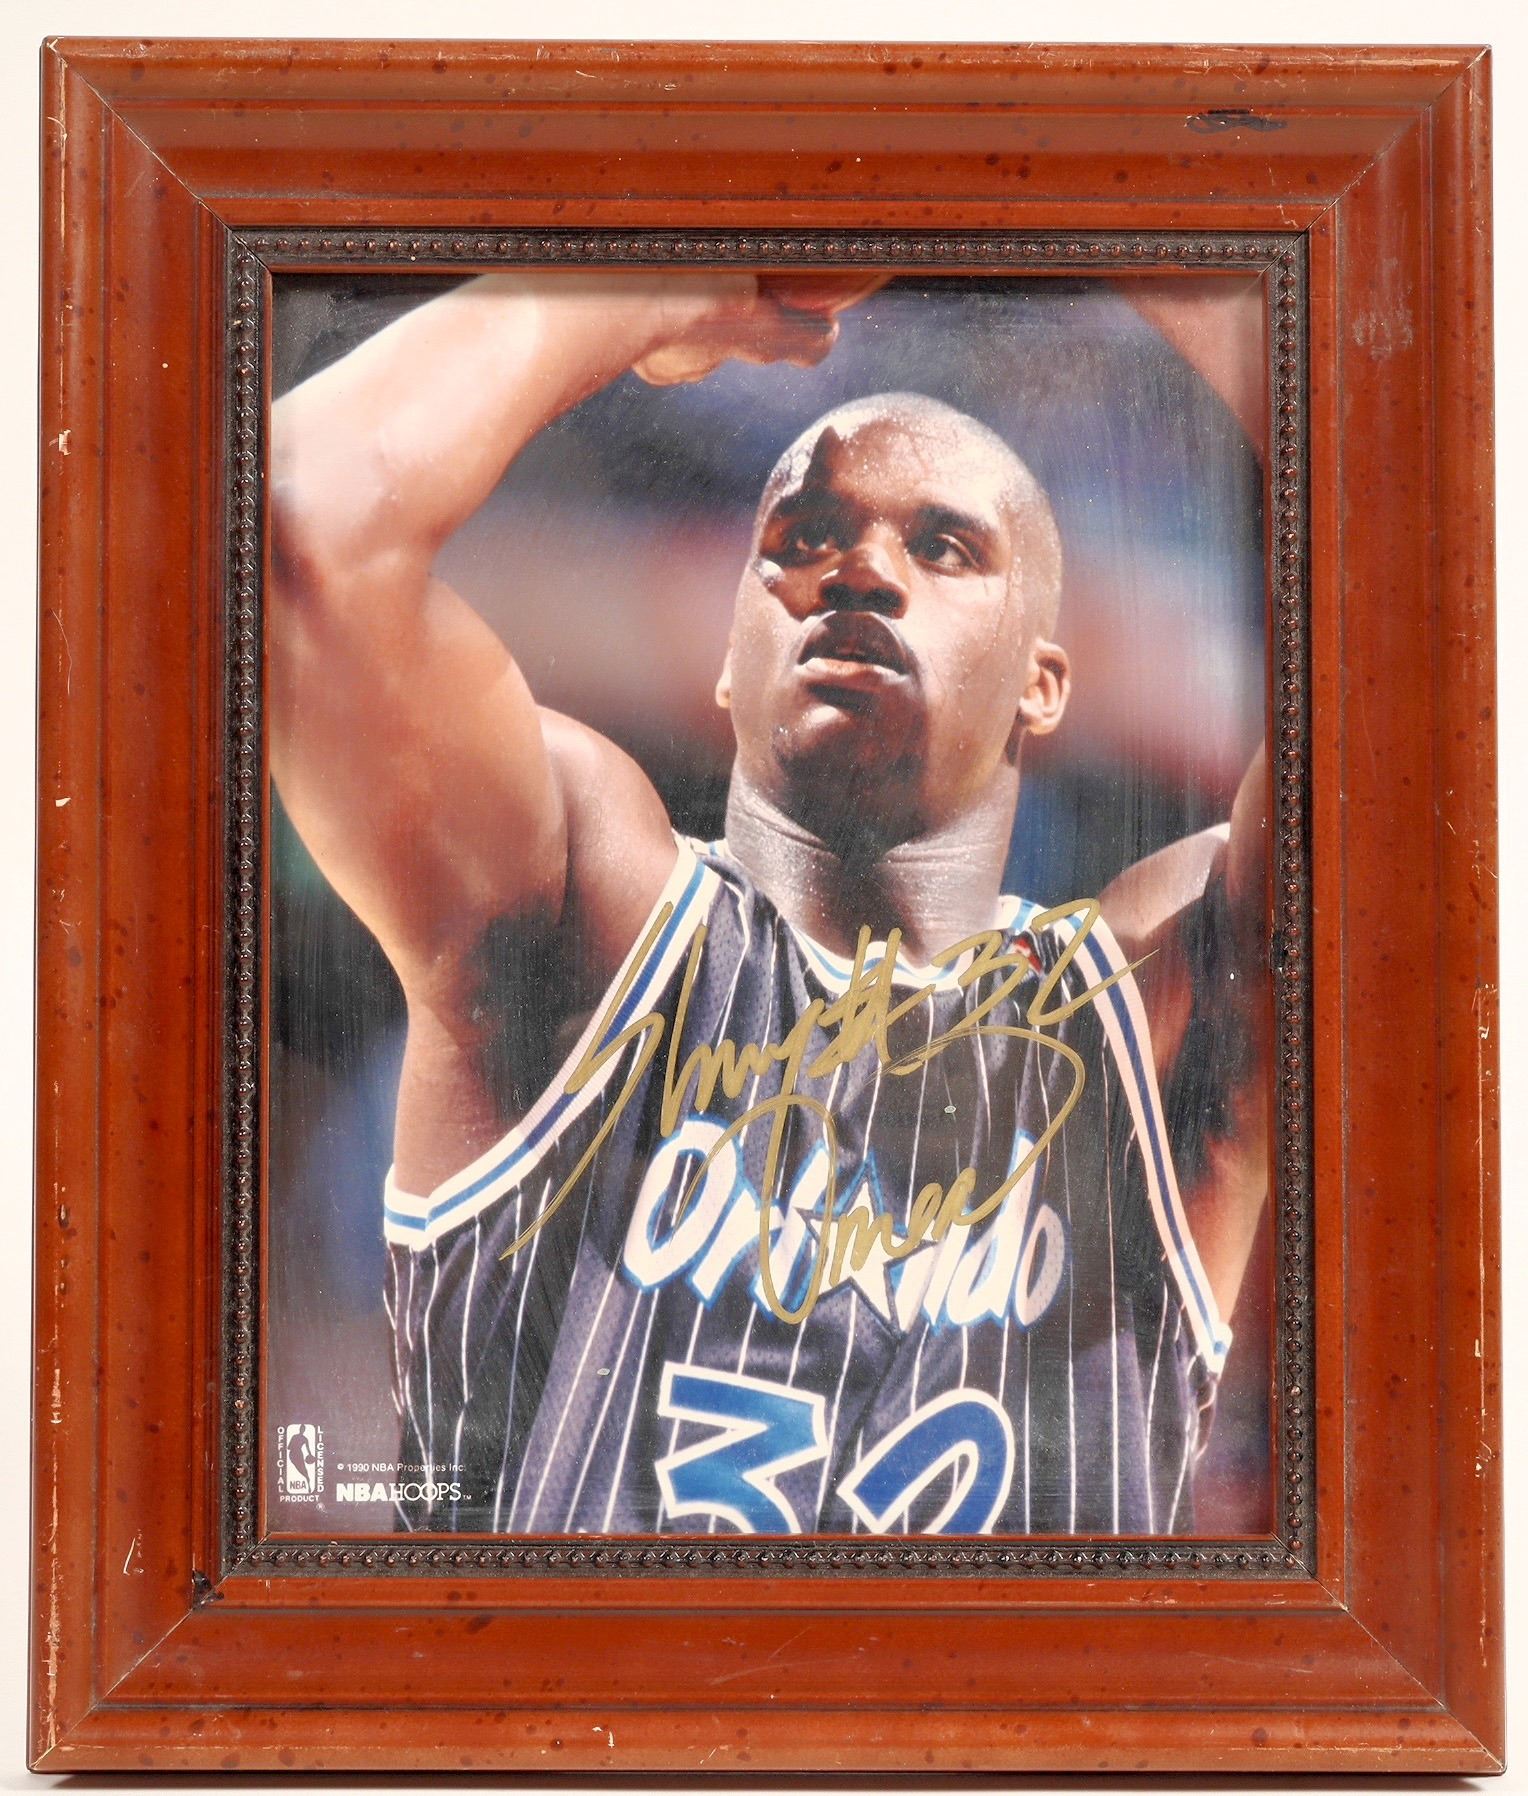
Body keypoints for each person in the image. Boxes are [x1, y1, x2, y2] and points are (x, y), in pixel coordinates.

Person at [270, 271, 1267, 1537]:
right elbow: (299, 522)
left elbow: (1424, 606)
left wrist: (1156, 220)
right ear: (727, 664)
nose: (860, 569)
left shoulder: (1150, 998)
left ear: (1043, 682)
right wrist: (632, 284)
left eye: (943, 546)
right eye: (800, 539)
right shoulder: (586, 915)